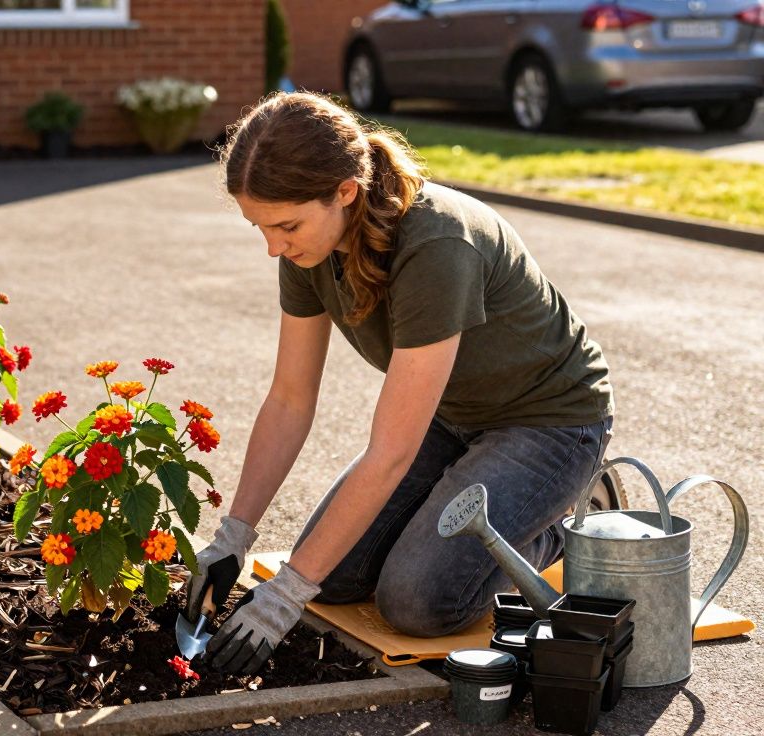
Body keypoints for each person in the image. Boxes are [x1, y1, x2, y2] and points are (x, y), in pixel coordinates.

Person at [185, 92, 615, 675]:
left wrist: (283, 598)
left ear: (344, 190)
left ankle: (565, 517)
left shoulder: (437, 244)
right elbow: (289, 399)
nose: (274, 246)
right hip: (451, 416)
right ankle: (473, 514)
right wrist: (232, 536)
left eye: (286, 225)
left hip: (546, 422)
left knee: (417, 601)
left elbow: (390, 453)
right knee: (329, 577)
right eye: (259, 227)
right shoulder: (309, 249)